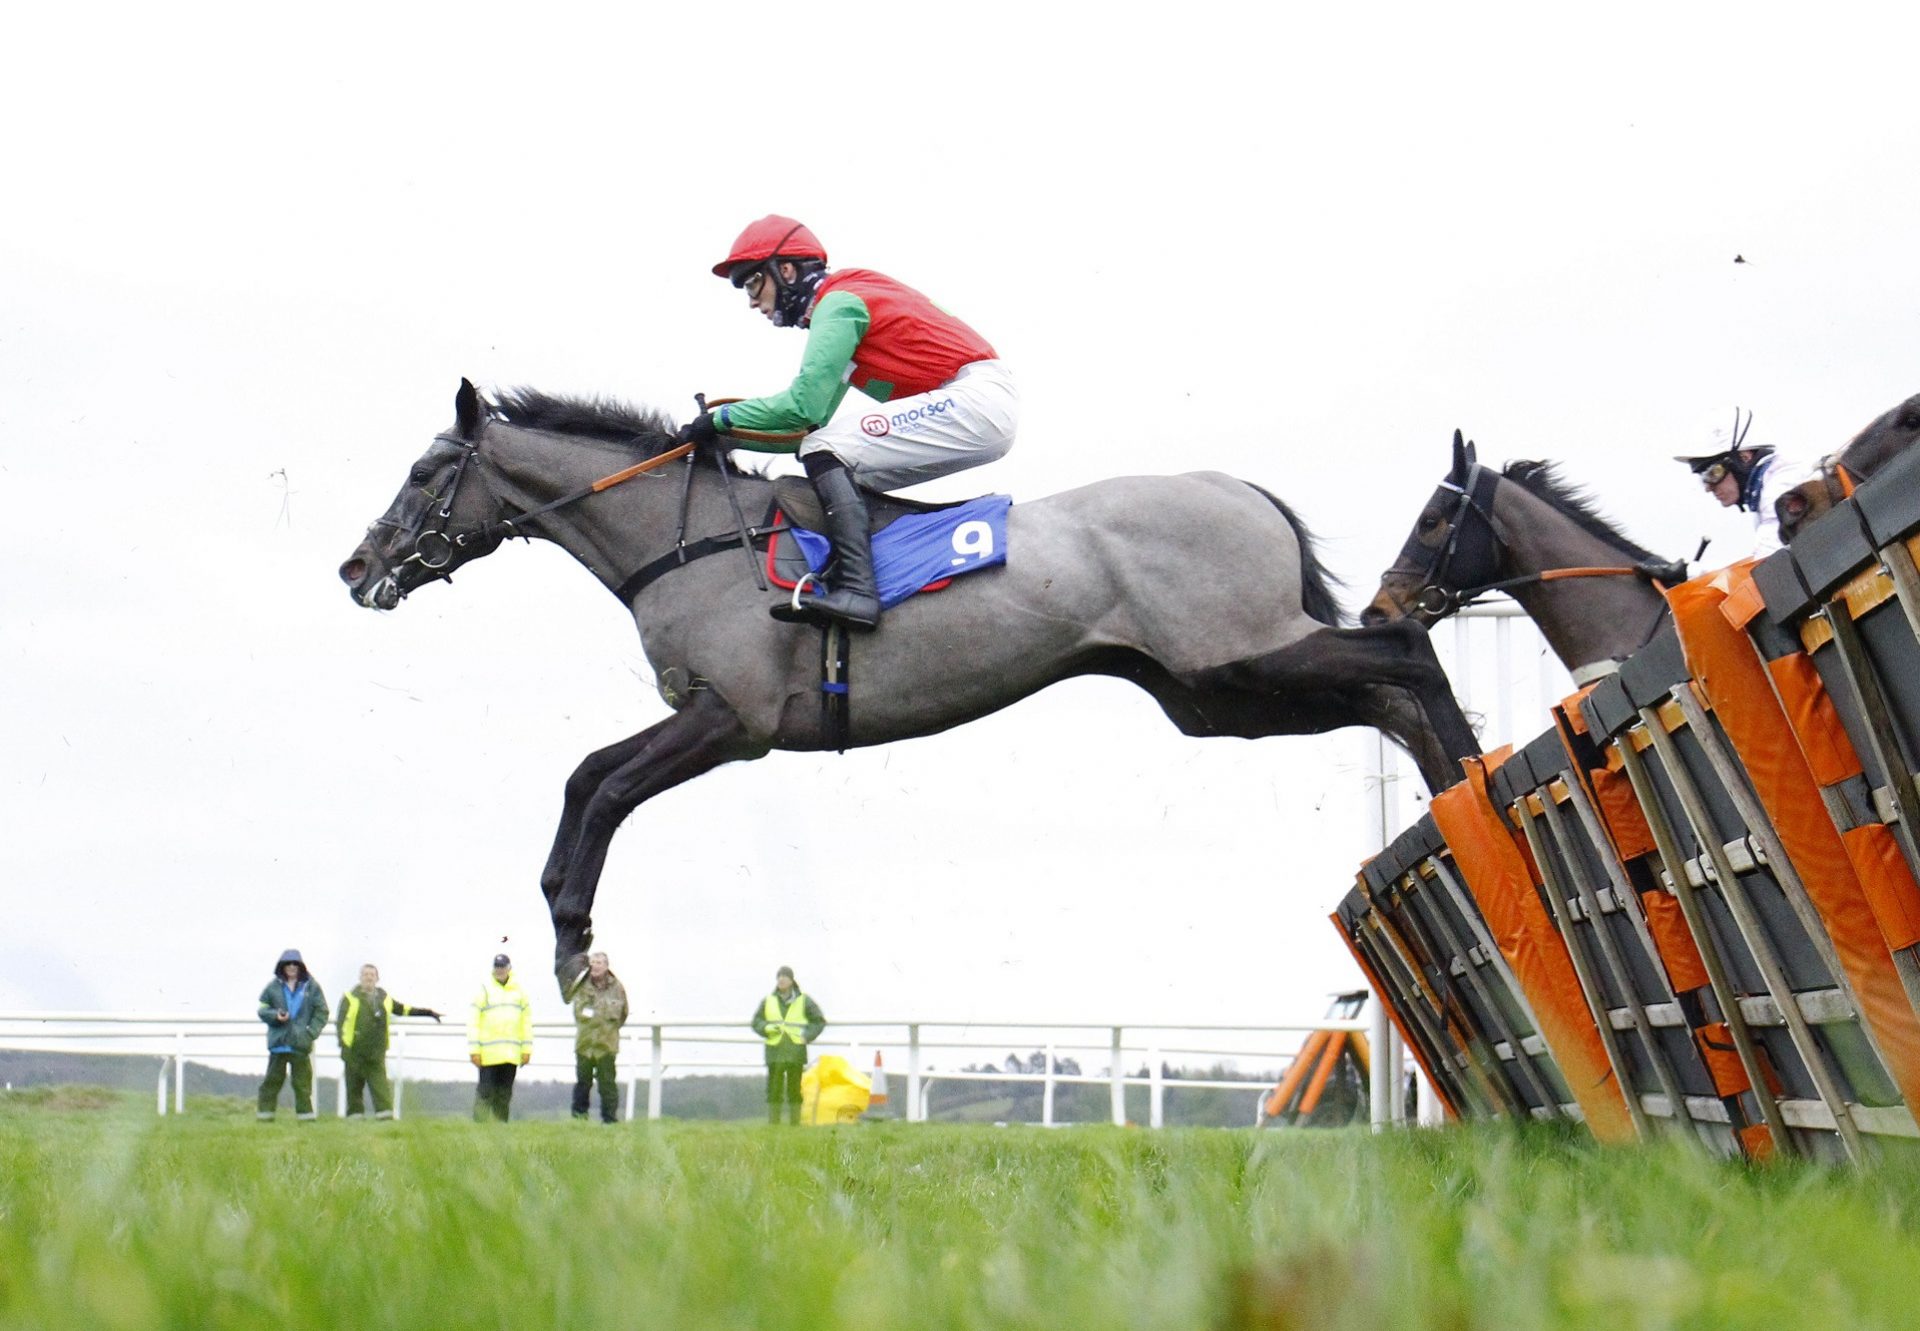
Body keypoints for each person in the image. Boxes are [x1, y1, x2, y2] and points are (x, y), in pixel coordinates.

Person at [677, 214, 1018, 632]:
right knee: (833, 466)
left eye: (752, 284)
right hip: (977, 405)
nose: (752, 301)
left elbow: (800, 408)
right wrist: (729, 439)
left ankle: (858, 590)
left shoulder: (838, 304)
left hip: (974, 399)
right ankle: (875, 582)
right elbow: (806, 429)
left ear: (785, 271)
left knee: (826, 452)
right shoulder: (841, 304)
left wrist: (720, 419)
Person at [1674, 406, 1814, 556]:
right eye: (1703, 479)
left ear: (1744, 457)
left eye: (1713, 473)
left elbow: (1769, 563)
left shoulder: (1780, 486)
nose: (1709, 487)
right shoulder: (1767, 489)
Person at [336, 963, 440, 1120]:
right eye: (365, 974)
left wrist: (428, 1012)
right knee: (353, 1090)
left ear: (377, 978)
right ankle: (355, 1123)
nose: (369, 977)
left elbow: (403, 1009)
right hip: (353, 1052)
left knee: (380, 1089)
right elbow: (340, 1023)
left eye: (372, 974)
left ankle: (385, 1121)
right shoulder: (349, 998)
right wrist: (343, 1046)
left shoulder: (384, 998)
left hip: (376, 1053)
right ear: (360, 977)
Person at [256, 948, 328, 1122]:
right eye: (287, 963)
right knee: (271, 1084)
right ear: (282, 966)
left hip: (300, 1044)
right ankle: (265, 1120)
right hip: (279, 1043)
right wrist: (276, 1016)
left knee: (302, 1086)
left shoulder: (312, 986)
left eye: (295, 963)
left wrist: (310, 1033)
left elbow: (322, 1012)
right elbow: (262, 1009)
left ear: (300, 966)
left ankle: (306, 1121)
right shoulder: (272, 987)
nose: (291, 966)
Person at [750, 965, 825, 1125]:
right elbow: (756, 1021)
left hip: (795, 1050)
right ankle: (774, 1125)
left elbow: (818, 1021)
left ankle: (794, 1125)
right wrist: (766, 1028)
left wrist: (808, 1035)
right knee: (773, 1090)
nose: (781, 980)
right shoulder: (768, 1000)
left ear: (792, 980)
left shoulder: (804, 1000)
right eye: (779, 977)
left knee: (794, 1090)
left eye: (785, 977)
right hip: (775, 1051)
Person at [468, 953, 533, 1122]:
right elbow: (473, 1022)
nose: (500, 971)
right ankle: (479, 1126)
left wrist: (526, 1050)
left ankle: (500, 1126)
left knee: (504, 1094)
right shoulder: (484, 990)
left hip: (510, 1054)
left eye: (502, 967)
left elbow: (526, 1024)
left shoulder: (520, 993)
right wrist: (474, 1051)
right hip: (488, 1055)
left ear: (509, 968)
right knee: (485, 1092)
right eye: (497, 967)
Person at [570, 950, 629, 1123]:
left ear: (606, 966)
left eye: (599, 963)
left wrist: (608, 1030)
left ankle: (610, 1120)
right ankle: (579, 1120)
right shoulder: (581, 985)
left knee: (607, 1085)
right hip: (585, 1045)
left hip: (606, 1045)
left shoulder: (617, 988)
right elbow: (578, 1012)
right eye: (593, 962)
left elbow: (623, 1013)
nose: (595, 966)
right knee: (582, 1084)